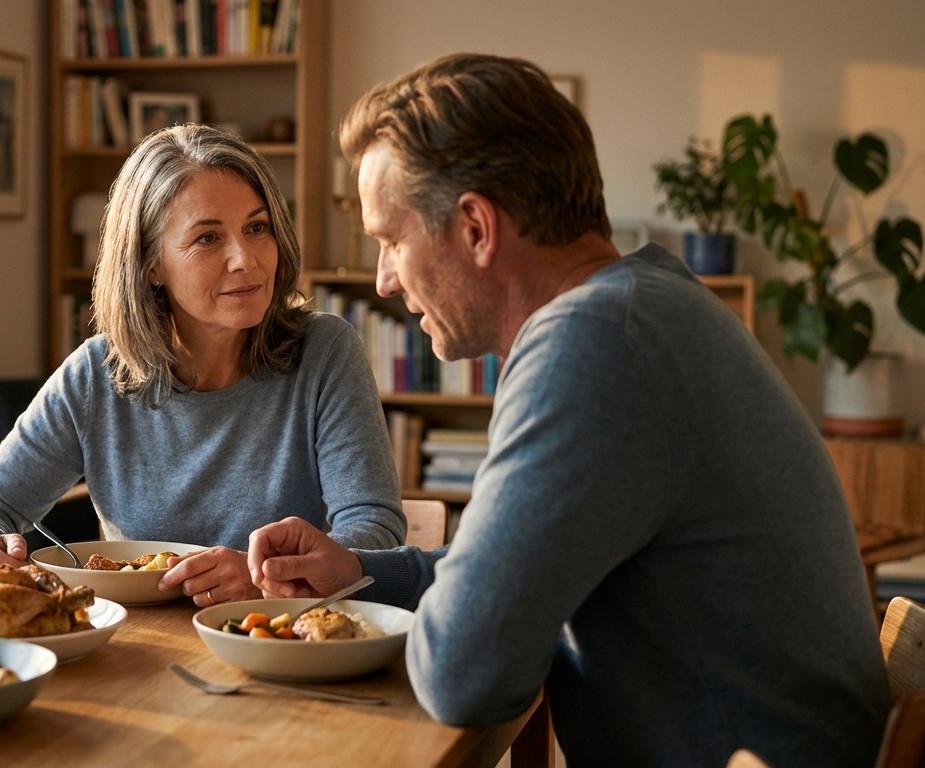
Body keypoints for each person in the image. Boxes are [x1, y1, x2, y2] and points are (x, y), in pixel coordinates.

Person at [246, 54, 890, 767]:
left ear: (476, 227)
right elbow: (525, 570)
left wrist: (445, 617)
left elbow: (463, 673)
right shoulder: (647, 302)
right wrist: (361, 575)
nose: (384, 282)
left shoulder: (594, 345)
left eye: (391, 241)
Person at [0, 123, 405, 606]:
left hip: (275, 634)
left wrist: (268, 580)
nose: (245, 259)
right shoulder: (97, 373)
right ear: (151, 265)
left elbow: (375, 530)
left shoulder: (326, 352)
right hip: (137, 642)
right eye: (208, 238)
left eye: (257, 227)